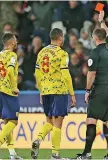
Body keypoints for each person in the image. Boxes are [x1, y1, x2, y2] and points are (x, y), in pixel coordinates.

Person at [75, 11, 108, 160]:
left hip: (99, 90)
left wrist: (87, 90)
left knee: (91, 120)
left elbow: (91, 74)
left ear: (94, 38)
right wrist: (102, 22)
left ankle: (86, 153)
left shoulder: (95, 52)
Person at [31, 28, 76, 159]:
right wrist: (72, 94)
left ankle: (38, 140)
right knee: (58, 123)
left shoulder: (41, 52)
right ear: (60, 38)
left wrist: (40, 90)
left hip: (45, 91)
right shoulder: (62, 53)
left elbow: (37, 73)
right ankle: (55, 155)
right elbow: (66, 75)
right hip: (59, 90)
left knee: (49, 121)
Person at [0, 33, 22, 160]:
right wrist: (13, 87)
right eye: (15, 40)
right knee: (14, 121)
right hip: (9, 92)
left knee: (7, 122)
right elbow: (9, 71)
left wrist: (0, 83)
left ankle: (12, 153)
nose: (16, 42)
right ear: (12, 42)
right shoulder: (12, 55)